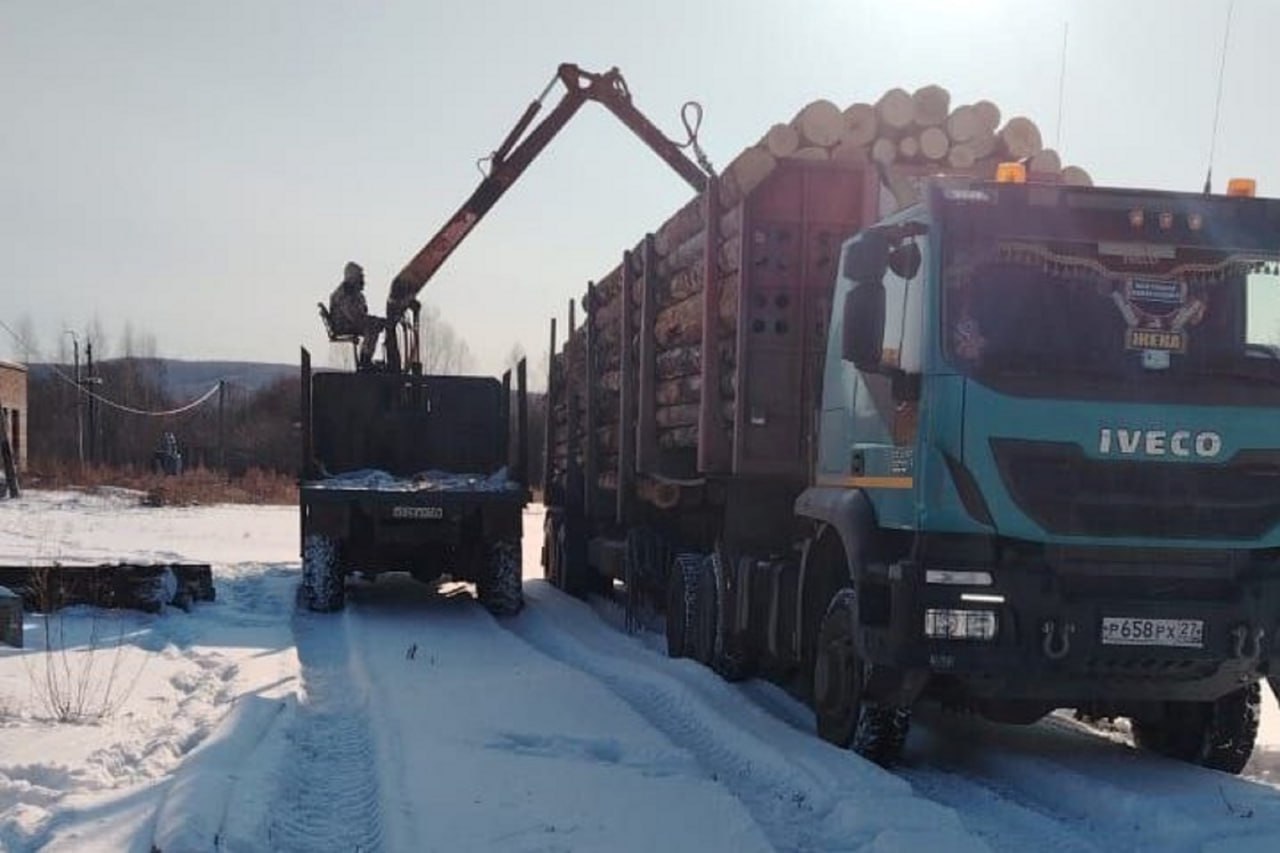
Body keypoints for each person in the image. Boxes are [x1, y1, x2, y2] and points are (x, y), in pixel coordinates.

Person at [328, 261, 385, 366]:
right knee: (372, 327)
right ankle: (365, 360)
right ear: (352, 278)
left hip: (350, 323)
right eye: (360, 277)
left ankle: (366, 358)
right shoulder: (343, 295)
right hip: (343, 326)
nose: (362, 280)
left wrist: (378, 321)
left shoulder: (356, 294)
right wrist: (376, 321)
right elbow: (355, 317)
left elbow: (362, 314)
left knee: (374, 325)